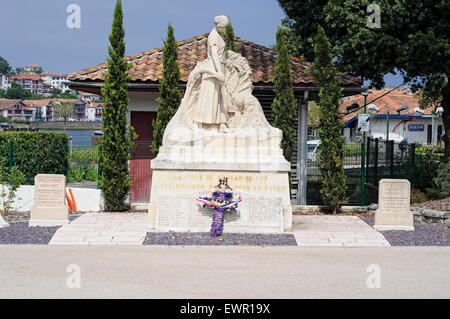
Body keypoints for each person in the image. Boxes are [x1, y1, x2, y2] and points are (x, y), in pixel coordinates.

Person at [192, 15, 230, 133]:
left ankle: (219, 124)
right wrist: (218, 71)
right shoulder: (213, 36)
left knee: (218, 98)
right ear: (219, 26)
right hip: (213, 69)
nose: (225, 29)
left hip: (219, 68)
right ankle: (197, 122)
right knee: (207, 96)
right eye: (223, 27)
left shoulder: (218, 36)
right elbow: (214, 55)